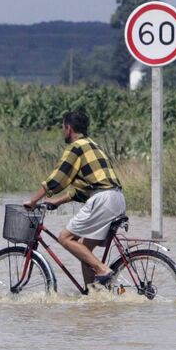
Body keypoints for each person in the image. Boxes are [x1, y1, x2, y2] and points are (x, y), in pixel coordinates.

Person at [24, 110, 126, 288]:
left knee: (65, 238)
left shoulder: (76, 147)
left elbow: (58, 178)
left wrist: (33, 201)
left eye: (63, 128)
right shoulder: (92, 145)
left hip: (103, 199)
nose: (63, 131)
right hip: (116, 198)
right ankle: (93, 294)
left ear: (69, 128)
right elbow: (83, 188)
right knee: (83, 249)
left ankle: (103, 270)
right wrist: (57, 201)